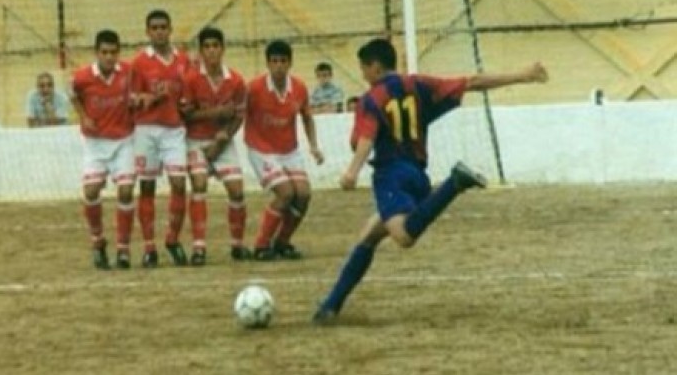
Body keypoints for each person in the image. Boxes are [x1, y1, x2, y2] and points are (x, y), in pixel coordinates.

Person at [312, 38, 548, 323]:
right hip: (417, 174)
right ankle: (330, 307)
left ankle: (455, 183)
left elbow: (366, 138)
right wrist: (523, 75)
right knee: (369, 236)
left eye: (363, 68)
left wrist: (351, 171)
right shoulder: (419, 85)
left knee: (403, 236)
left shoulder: (371, 99)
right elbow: (472, 82)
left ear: (375, 66)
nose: (363, 75)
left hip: (391, 175)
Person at [244, 39, 324, 261]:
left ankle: (282, 242)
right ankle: (261, 245)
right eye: (274, 61)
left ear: (290, 63)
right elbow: (238, 112)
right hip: (261, 149)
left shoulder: (299, 88)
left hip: (289, 150)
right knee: (286, 193)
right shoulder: (254, 88)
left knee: (304, 195)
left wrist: (314, 146)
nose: (278, 66)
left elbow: (307, 117)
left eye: (283, 61)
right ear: (268, 63)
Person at [180, 27, 250, 265]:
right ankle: (198, 247)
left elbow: (239, 116)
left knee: (237, 191)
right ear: (201, 51)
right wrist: (216, 112)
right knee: (199, 185)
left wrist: (224, 138)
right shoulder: (191, 79)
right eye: (207, 47)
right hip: (196, 141)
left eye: (215, 46)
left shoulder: (236, 80)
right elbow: (186, 115)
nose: (212, 51)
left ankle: (237, 246)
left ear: (223, 49)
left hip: (223, 141)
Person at [70, 29, 136, 270]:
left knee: (126, 191)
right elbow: (72, 94)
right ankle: (97, 240)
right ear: (96, 53)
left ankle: (123, 248)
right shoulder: (82, 77)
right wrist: (83, 116)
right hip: (95, 143)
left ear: (119, 53)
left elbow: (139, 91)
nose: (109, 57)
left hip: (124, 141)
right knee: (91, 191)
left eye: (113, 52)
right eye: (104, 52)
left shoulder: (128, 72)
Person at [130, 9, 191, 268]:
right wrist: (146, 98)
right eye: (154, 28)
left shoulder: (183, 60)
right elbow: (130, 98)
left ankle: (172, 239)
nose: (159, 32)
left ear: (170, 29)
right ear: (147, 32)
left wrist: (187, 105)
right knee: (147, 187)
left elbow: (188, 93)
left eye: (163, 27)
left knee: (179, 183)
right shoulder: (138, 62)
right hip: (146, 130)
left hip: (174, 130)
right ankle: (149, 248)